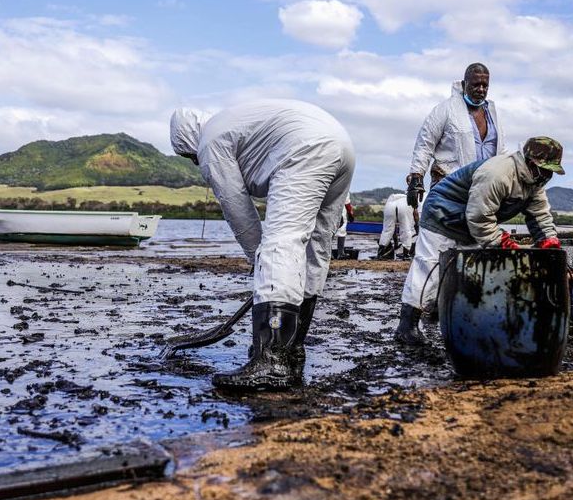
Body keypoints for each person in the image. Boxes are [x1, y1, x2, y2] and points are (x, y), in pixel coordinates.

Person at [169, 100, 355, 391]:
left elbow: (237, 210)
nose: (195, 161)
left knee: (280, 243)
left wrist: (262, 262)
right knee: (315, 248)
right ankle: (290, 350)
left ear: (189, 141)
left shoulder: (210, 141)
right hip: (342, 145)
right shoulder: (230, 122)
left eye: (189, 156)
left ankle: (272, 360)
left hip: (304, 148)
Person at [396, 137, 564, 346]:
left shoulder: (534, 184)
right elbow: (479, 217)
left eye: (551, 172)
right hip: (442, 214)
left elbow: (540, 215)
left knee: (469, 271)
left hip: (468, 224)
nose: (547, 176)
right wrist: (500, 241)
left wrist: (548, 240)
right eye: (545, 170)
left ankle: (445, 314)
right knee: (429, 268)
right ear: (531, 162)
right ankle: (407, 326)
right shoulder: (498, 174)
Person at [405, 63, 508, 208]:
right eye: (476, 85)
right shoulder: (445, 110)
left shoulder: (493, 116)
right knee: (441, 230)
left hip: (483, 192)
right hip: (448, 188)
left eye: (485, 86)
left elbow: (501, 152)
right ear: (465, 84)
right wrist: (416, 178)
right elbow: (425, 144)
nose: (481, 89)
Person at [377, 192, 415, 259]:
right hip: (405, 204)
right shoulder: (411, 200)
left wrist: (396, 243)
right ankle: (406, 254)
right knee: (406, 228)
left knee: (387, 229)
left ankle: (381, 253)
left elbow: (393, 230)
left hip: (390, 203)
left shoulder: (393, 199)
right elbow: (416, 218)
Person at [333, 194, 355, 259]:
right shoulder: (344, 185)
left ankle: (328, 254)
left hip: (327, 208)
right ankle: (340, 253)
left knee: (327, 231)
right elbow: (347, 202)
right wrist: (350, 213)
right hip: (340, 209)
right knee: (341, 231)